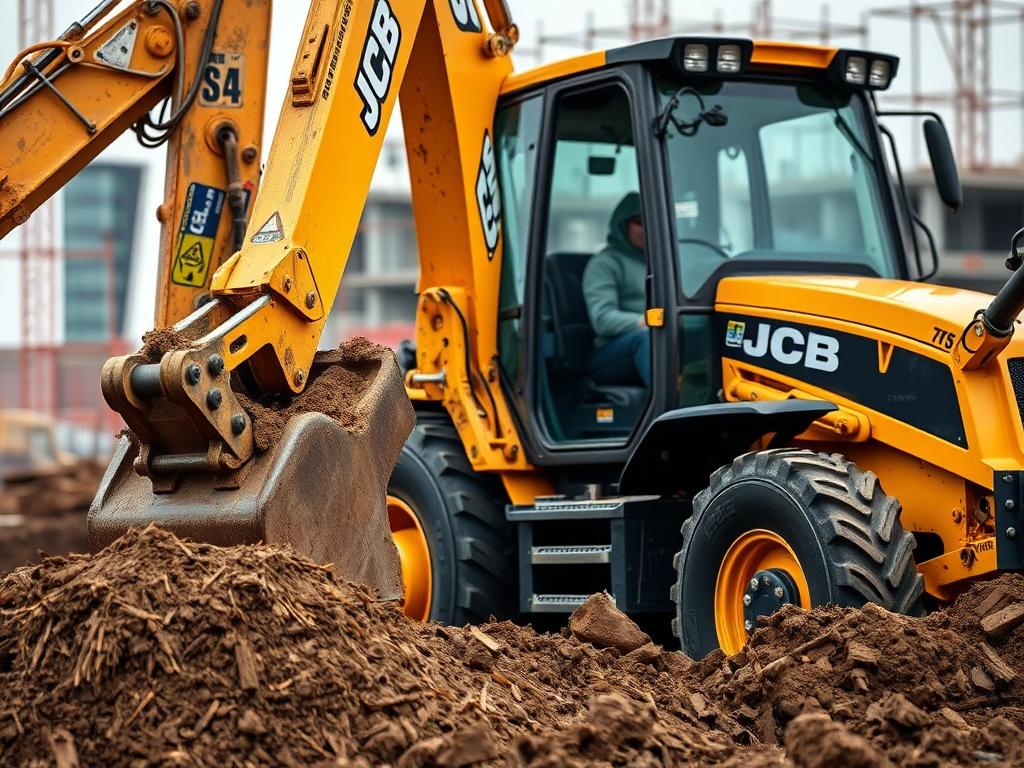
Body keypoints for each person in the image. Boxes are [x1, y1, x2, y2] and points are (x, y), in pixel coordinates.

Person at [582, 192, 650, 387]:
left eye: (650, 223)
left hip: (658, 338)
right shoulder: (604, 264)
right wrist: (648, 322)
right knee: (647, 338)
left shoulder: (663, 264)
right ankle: (673, 401)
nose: (646, 230)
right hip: (614, 350)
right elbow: (603, 319)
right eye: (639, 223)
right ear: (622, 225)